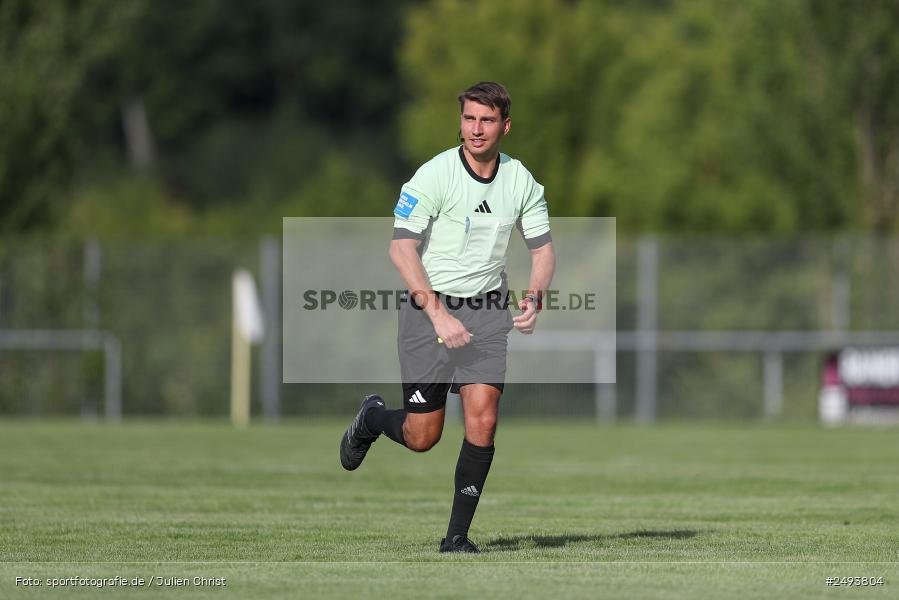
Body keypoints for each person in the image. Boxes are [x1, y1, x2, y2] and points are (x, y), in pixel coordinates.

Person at [340, 81, 555, 553]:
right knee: (424, 436)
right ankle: (372, 419)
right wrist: (438, 316)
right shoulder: (433, 176)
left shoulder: (521, 181)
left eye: (487, 120)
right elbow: (401, 250)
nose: (476, 130)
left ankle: (456, 538)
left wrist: (535, 297)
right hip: (428, 311)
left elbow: (542, 251)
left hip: (487, 309)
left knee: (483, 418)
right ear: (460, 122)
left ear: (505, 126)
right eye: (469, 119)